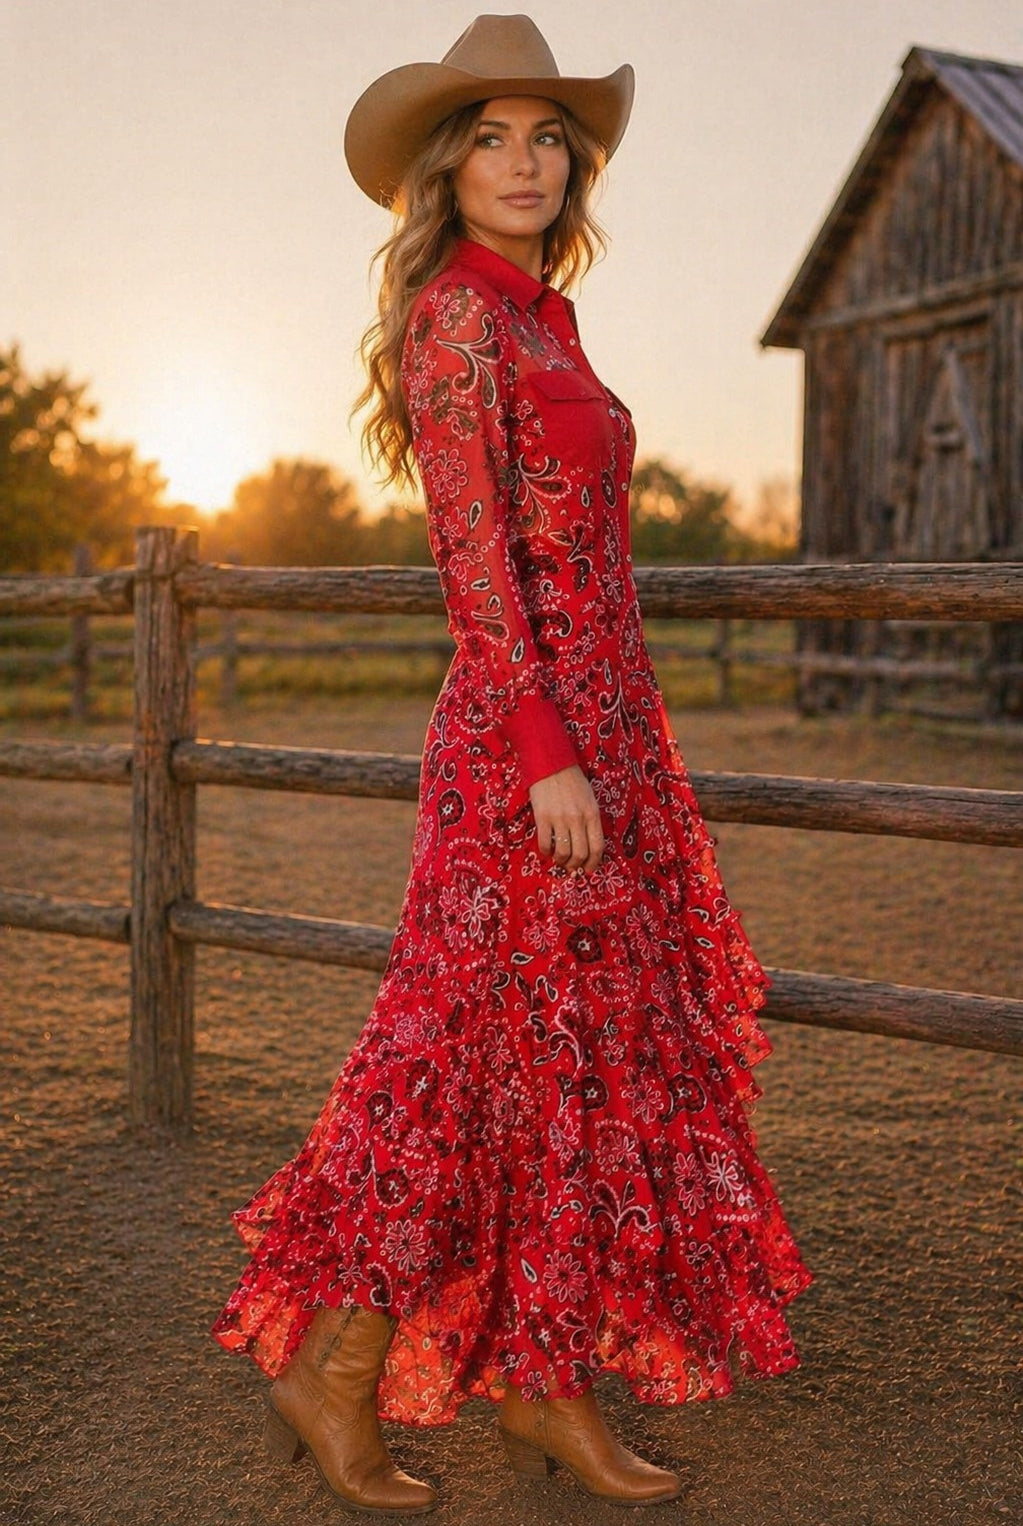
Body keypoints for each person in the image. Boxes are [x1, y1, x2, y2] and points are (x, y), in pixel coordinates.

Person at [212, 14, 813, 1515]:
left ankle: (545, 1381)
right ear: (445, 166)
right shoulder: (458, 323)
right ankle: (336, 1369)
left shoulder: (548, 319)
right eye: (492, 135)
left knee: (566, 1064)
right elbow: (475, 562)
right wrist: (548, 751)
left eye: (550, 137)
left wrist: (621, 746)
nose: (527, 160)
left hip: (608, 734)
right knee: (453, 1059)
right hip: (520, 750)